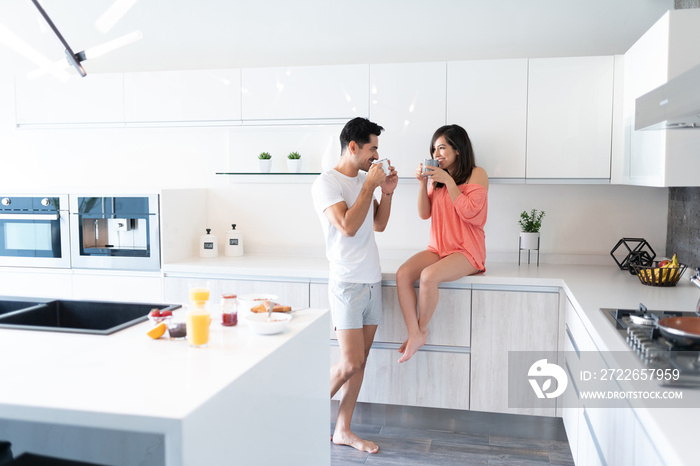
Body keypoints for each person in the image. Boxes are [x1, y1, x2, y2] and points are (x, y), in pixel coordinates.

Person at [311, 117, 398, 453]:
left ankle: (343, 430)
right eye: (372, 147)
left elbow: (377, 224)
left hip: (371, 281)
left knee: (359, 362)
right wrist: (368, 187)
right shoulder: (326, 183)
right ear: (353, 146)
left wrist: (385, 193)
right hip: (347, 283)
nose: (376, 154)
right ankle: (292, 413)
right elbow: (347, 226)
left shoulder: (366, 179)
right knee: (349, 362)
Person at [396, 124, 488, 363]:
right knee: (403, 273)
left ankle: (421, 331)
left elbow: (473, 215)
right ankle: (414, 332)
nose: (437, 154)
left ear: (458, 149)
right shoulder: (436, 180)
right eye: (434, 149)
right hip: (439, 247)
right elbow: (424, 214)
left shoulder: (477, 173)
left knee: (428, 277)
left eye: (442, 148)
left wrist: (448, 181)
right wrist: (422, 183)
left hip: (467, 250)